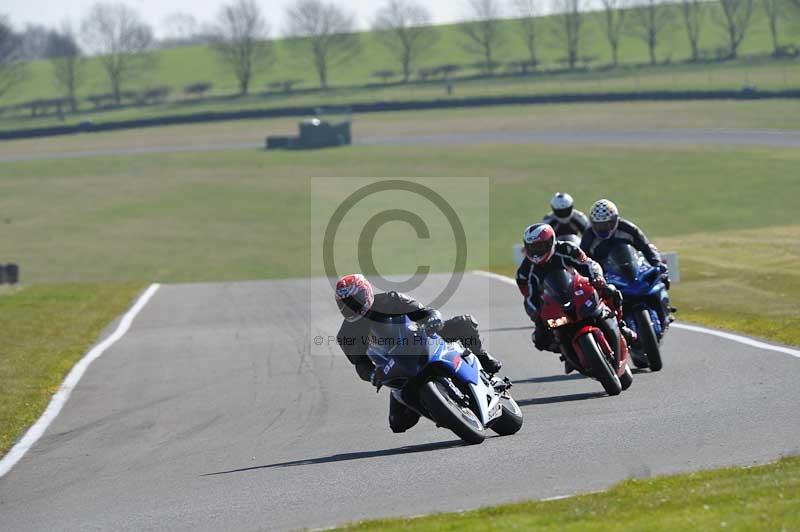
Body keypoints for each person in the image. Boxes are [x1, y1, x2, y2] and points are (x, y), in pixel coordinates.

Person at [334, 274, 502, 433]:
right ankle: (436, 407)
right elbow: (360, 364)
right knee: (398, 423)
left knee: (465, 323)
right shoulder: (345, 335)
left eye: (355, 300)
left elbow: (423, 311)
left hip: (421, 339)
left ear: (366, 293)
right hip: (395, 368)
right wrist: (372, 375)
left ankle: (484, 360)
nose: (351, 307)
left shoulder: (390, 299)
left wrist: (432, 318)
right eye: (346, 304)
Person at [515, 223, 635, 371]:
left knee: (611, 291)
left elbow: (589, 264)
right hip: (555, 304)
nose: (536, 252)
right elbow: (529, 297)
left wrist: (596, 277)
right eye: (532, 248)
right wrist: (537, 315)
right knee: (539, 338)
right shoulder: (524, 271)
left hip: (579, 290)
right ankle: (566, 352)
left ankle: (621, 326)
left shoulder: (567, 249)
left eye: (539, 247)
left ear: (550, 241)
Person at [581, 199, 673, 323]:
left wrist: (657, 263)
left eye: (607, 224)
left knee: (660, 278)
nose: (603, 228)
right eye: (599, 225)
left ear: (615, 220)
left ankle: (664, 310)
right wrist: (591, 279)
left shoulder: (628, 228)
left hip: (633, 266)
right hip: (608, 274)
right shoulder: (588, 237)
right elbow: (583, 261)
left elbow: (646, 246)